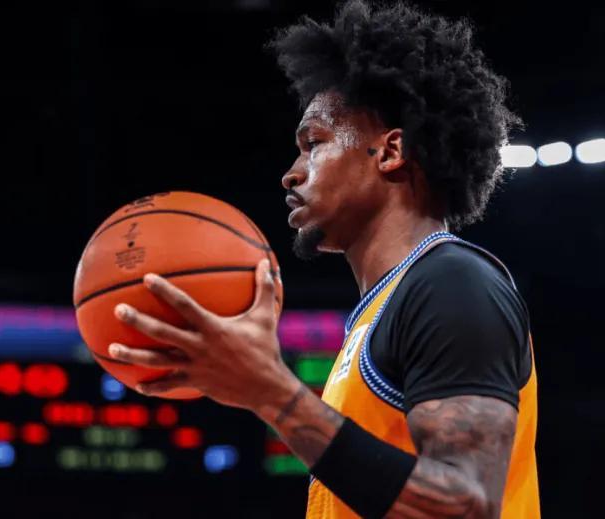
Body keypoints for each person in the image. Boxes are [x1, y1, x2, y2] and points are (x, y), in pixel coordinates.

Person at [107, 1, 539, 517]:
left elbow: (466, 504)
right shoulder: (380, 311)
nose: (291, 173)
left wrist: (270, 393)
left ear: (390, 152)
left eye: (314, 143)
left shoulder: (454, 283)